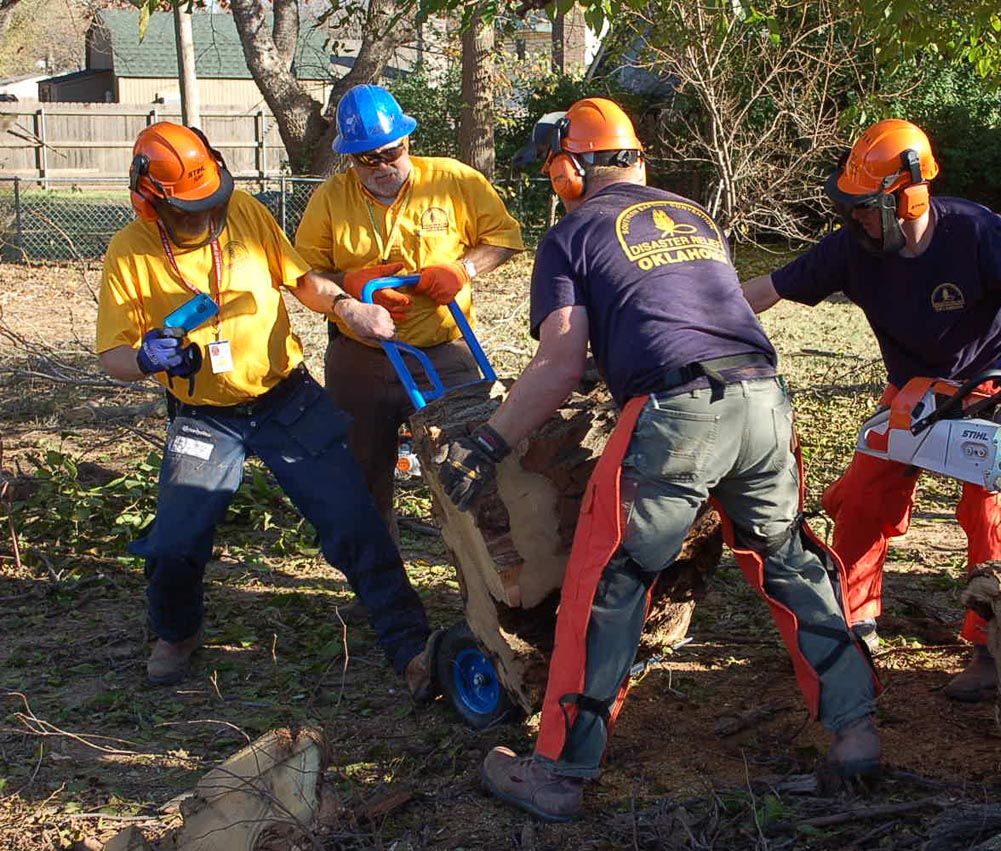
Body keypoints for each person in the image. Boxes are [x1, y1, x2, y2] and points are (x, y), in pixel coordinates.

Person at [434, 98, 881, 823]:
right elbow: (681, 312)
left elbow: (555, 362)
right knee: (787, 559)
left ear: (569, 168)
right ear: (636, 159)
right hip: (763, 397)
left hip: (678, 415)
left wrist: (487, 441)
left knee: (607, 581)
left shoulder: (572, 232)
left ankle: (557, 770)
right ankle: (855, 730)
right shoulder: (693, 214)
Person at [96, 122, 440, 698]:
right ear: (150, 201)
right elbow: (111, 356)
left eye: (211, 205)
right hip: (203, 414)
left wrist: (348, 309)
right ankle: (176, 632)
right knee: (177, 539)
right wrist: (145, 357)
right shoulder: (128, 253)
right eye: (189, 213)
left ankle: (408, 643)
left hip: (287, 398)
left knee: (353, 520)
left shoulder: (248, 214)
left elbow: (302, 279)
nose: (205, 219)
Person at [742, 119, 1001, 703]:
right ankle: (854, 624)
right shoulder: (853, 248)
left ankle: (992, 646)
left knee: (996, 511)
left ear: (907, 195)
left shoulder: (974, 230)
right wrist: (702, 315)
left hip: (990, 388)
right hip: (911, 394)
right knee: (859, 497)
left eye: (865, 207)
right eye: (851, 206)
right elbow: (771, 288)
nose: (854, 217)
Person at [295, 84, 524, 539]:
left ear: (407, 141)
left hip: (443, 352)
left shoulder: (454, 181)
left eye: (390, 152)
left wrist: (463, 269)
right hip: (361, 355)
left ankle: (492, 581)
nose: (382, 166)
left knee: (473, 468)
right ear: (350, 159)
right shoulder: (330, 199)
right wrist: (350, 292)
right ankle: (382, 589)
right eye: (367, 159)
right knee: (361, 476)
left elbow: (504, 238)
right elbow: (302, 276)